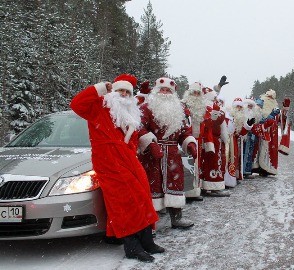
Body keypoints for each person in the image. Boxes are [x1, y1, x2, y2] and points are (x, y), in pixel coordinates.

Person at [70, 73, 164, 263]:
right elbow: (76, 104)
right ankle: (132, 245)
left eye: (127, 92)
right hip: (108, 160)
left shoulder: (131, 114)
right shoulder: (99, 106)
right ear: (113, 91)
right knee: (124, 201)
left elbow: (134, 139)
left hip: (129, 158)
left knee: (143, 194)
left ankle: (146, 240)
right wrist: (100, 88)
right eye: (119, 90)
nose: (123, 94)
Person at [138, 77, 197, 229]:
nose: (165, 93)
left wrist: (189, 142)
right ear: (156, 91)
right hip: (152, 154)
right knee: (153, 185)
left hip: (172, 154)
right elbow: (140, 128)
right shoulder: (146, 108)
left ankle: (176, 217)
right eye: (162, 90)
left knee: (175, 183)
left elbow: (184, 130)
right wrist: (150, 142)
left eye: (168, 90)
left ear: (173, 93)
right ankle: (149, 223)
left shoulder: (180, 109)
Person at [200, 76, 230, 197]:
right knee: (212, 163)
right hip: (211, 139)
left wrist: (219, 87)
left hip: (214, 139)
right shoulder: (207, 108)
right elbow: (217, 119)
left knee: (213, 163)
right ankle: (213, 186)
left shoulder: (211, 105)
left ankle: (210, 185)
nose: (216, 100)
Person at [252, 89, 281, 176]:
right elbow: (258, 119)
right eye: (268, 97)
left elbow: (280, 120)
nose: (269, 100)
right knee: (258, 149)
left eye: (271, 98)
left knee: (268, 150)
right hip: (260, 131)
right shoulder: (260, 108)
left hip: (271, 133)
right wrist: (269, 117)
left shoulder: (275, 108)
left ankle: (266, 168)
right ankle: (256, 167)